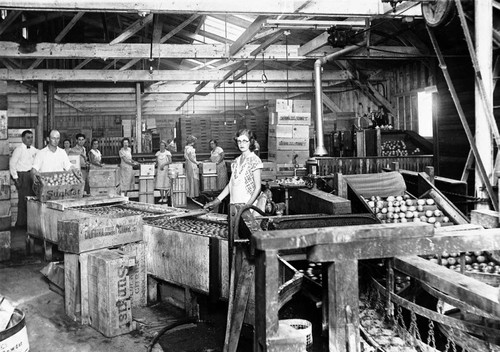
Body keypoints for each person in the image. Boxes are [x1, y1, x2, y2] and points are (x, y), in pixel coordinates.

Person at [204, 129, 263, 231]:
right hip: (234, 204)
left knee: (247, 235)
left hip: (247, 206)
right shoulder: (236, 161)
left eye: (245, 141)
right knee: (235, 235)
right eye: (239, 141)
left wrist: (247, 207)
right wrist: (217, 201)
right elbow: (231, 184)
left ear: (251, 142)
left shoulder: (255, 160)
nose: (241, 144)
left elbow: (258, 188)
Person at [9, 130, 38, 229]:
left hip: (32, 176)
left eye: (31, 137)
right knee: (23, 200)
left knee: (33, 201)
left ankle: (31, 224)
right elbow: (12, 164)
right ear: (23, 139)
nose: (30, 139)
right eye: (28, 137)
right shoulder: (18, 150)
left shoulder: (34, 150)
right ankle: (21, 225)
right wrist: (16, 179)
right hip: (22, 176)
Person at [184, 135, 200, 199]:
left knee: (189, 178)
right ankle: (193, 194)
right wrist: (197, 163)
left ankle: (190, 193)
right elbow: (191, 158)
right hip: (192, 164)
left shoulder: (186, 148)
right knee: (193, 178)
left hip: (188, 164)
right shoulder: (190, 149)